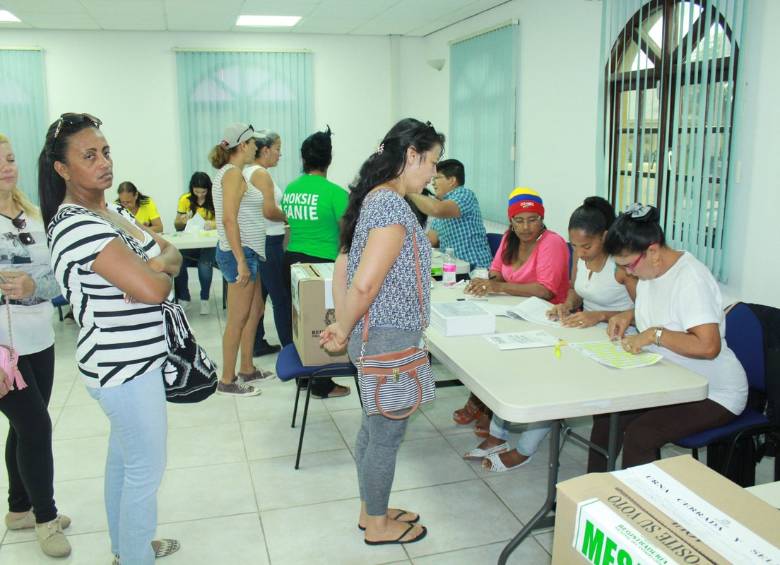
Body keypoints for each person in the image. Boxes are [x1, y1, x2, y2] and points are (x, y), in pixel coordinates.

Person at [39, 113, 180, 563]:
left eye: (105, 152)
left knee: (124, 460)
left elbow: (168, 253)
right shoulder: (76, 225)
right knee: (144, 469)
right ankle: (136, 556)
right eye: (89, 156)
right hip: (123, 367)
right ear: (62, 169)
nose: (104, 163)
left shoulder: (111, 211)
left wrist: (148, 270)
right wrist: (149, 274)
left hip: (138, 360)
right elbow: (157, 288)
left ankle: (127, 549)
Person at [319, 118, 443, 545]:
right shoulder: (390, 205)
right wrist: (343, 325)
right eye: (432, 162)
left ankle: (369, 508)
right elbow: (366, 284)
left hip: (373, 336)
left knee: (373, 428)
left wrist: (342, 325)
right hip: (388, 339)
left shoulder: (370, 198)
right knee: (387, 434)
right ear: (411, 155)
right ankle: (377, 524)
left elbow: (343, 265)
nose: (433, 174)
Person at [466, 196, 637, 472]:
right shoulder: (581, 259)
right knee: (527, 367)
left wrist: (601, 315)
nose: (579, 253)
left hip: (617, 340)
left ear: (605, 237)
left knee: (552, 385)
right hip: (583, 331)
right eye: (576, 246)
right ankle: (498, 435)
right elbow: (574, 289)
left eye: (586, 246)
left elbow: (642, 311)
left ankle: (524, 450)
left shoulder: (622, 265)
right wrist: (567, 305)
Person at [587, 203, 748, 471]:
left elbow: (708, 346)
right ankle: (591, 493)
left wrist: (653, 335)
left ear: (652, 250)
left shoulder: (690, 279)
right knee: (608, 415)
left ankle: (639, 509)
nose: (626, 273)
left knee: (641, 434)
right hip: (671, 379)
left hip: (713, 392)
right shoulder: (651, 272)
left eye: (628, 265)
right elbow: (666, 314)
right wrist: (628, 315)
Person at [0, 133, 71, 558]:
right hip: (2, 347)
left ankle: (19, 507)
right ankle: (46, 519)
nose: (6, 166)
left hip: (39, 338)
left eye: (9, 157)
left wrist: (32, 286)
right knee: (36, 427)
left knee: (24, 427)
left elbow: (60, 277)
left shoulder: (34, 214)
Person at [454, 188, 571, 436]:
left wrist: (498, 286)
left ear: (542, 219)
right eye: (519, 220)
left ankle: (487, 409)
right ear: (511, 221)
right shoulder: (510, 238)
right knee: (481, 343)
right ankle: (481, 402)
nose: (526, 227)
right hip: (513, 312)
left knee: (496, 353)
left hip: (546, 319)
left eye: (533, 219)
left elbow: (546, 291)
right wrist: (487, 282)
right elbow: (496, 269)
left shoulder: (552, 242)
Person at [281, 126, 350, 398]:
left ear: (303, 158)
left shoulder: (291, 190)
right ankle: (322, 384)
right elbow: (348, 231)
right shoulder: (335, 193)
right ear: (328, 159)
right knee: (322, 324)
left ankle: (303, 377)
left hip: (293, 260)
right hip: (323, 265)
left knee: (298, 320)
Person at [211, 123, 272, 396]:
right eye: (253, 143)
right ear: (243, 145)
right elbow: (228, 219)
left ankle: (247, 367)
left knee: (255, 310)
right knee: (237, 318)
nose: (257, 147)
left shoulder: (234, 173)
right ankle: (227, 379)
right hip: (241, 252)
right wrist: (240, 261)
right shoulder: (233, 174)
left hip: (249, 251)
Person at [244, 130, 288, 358]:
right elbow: (269, 210)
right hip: (269, 241)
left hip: (259, 239)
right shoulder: (260, 174)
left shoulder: (249, 171)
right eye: (278, 149)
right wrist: (290, 217)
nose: (280, 154)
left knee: (258, 296)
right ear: (265, 150)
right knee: (280, 297)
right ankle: (289, 347)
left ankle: (256, 341)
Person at [407, 159, 492, 269]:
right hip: (452, 269)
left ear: (452, 180)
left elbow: (437, 209)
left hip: (475, 269)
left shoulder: (464, 195)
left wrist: (408, 190)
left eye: (437, 178)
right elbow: (430, 241)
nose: (433, 182)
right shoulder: (442, 205)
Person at [173, 171, 217, 315]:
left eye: (203, 192)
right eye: (196, 191)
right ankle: (184, 298)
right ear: (192, 189)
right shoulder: (185, 199)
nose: (200, 195)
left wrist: (213, 224)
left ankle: (205, 299)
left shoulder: (215, 199)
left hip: (208, 244)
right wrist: (182, 220)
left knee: (204, 265)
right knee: (177, 261)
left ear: (208, 189)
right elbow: (177, 225)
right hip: (190, 242)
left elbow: (224, 221)